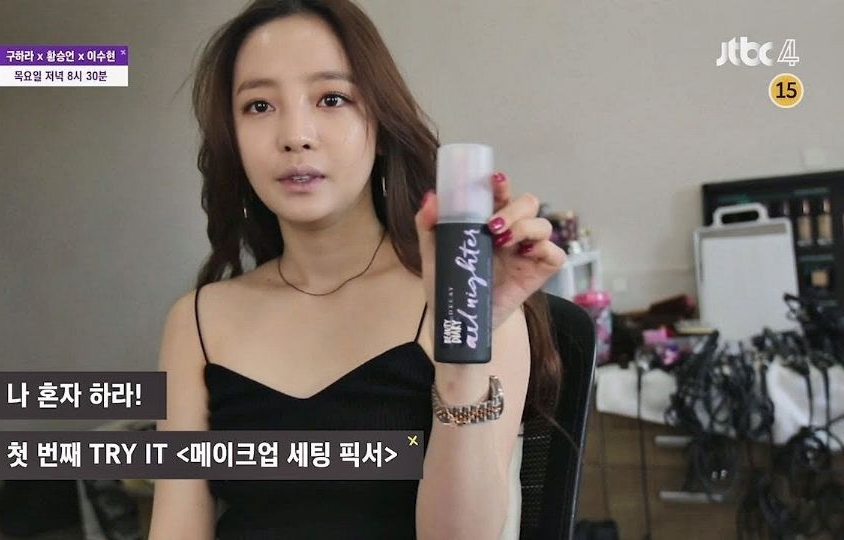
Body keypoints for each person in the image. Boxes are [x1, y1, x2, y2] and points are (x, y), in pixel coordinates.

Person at [148, 1, 567, 538]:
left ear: (381, 124)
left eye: (332, 98)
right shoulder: (196, 322)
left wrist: (462, 351)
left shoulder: (466, 300)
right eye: (259, 105)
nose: (295, 134)